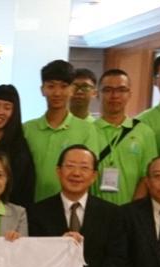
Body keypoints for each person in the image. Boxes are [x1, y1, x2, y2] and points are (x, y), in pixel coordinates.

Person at [24, 60, 102, 202]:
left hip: (70, 208)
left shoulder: (87, 130)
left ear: (72, 90)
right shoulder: (27, 129)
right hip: (30, 207)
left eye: (64, 86)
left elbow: (88, 174)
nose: (57, 92)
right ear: (42, 89)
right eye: (51, 86)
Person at [92, 69, 157, 205]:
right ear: (98, 94)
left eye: (121, 90)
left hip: (131, 212)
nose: (115, 95)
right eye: (108, 90)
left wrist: (132, 211)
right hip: (93, 212)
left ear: (129, 94)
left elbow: (147, 176)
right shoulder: (87, 131)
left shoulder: (144, 132)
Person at [0, 85, 36, 210]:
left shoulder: (19, 149)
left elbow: (20, 192)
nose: (0, 112)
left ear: (15, 112)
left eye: (7, 108)